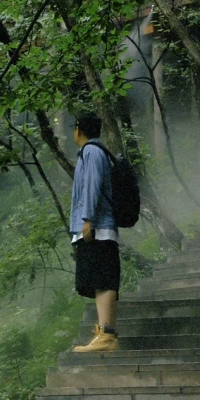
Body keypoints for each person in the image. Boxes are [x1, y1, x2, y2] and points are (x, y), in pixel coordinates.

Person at [69, 111, 120, 354]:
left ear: (79, 129)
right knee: (100, 280)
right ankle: (104, 332)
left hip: (97, 227)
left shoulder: (91, 151)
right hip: (99, 227)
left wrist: (87, 219)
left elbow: (92, 184)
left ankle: (107, 334)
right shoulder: (94, 152)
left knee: (103, 279)